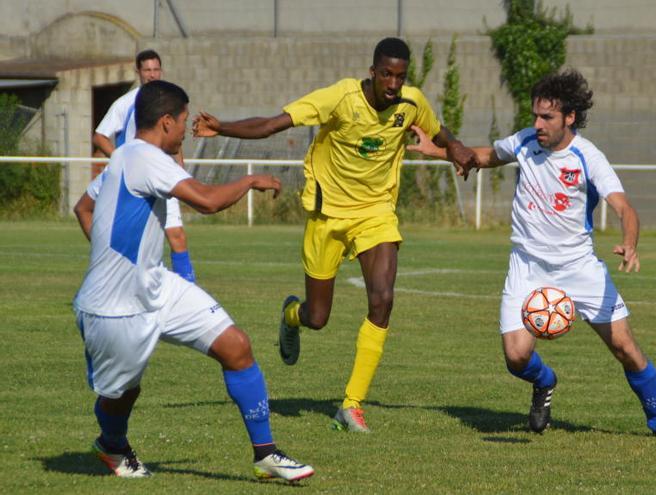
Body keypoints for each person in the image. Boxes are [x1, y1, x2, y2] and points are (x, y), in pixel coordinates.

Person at [192, 37, 475, 433]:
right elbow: (274, 124)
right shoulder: (339, 98)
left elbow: (438, 130)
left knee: (383, 299)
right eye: (387, 75)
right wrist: (222, 127)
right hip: (328, 217)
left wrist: (457, 147)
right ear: (373, 72)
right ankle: (293, 315)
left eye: (400, 76)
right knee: (318, 317)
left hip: (376, 215)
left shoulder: (411, 102)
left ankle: (351, 405)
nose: (394, 84)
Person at [408, 69, 656, 440]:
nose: (538, 124)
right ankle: (545, 383)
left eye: (547, 117)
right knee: (515, 357)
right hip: (527, 266)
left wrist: (630, 242)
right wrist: (442, 151)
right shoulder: (525, 142)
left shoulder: (588, 157)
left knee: (626, 348)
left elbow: (625, 208)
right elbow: (484, 156)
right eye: (535, 116)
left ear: (570, 117)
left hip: (579, 267)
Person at [73, 80, 315, 482]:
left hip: (157, 285)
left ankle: (266, 455)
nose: (186, 128)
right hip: (115, 309)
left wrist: (118, 257)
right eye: (183, 120)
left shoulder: (127, 156)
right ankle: (111, 443)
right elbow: (207, 201)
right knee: (122, 393)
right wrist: (251, 180)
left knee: (236, 345)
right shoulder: (145, 156)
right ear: (166, 121)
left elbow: (84, 207)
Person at [81, 48, 195, 282]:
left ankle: (188, 288)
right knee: (88, 212)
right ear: (138, 72)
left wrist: (180, 168)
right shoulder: (126, 103)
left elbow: (174, 138)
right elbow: (100, 136)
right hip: (130, 179)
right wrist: (121, 158)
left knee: (177, 236)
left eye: (156, 69)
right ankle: (109, 263)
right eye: (147, 70)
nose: (152, 75)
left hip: (161, 176)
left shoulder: (168, 101)